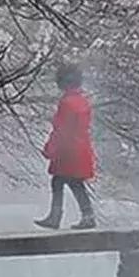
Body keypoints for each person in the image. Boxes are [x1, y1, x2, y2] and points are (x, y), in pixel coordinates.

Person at [35, 62, 97, 230]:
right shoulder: (83, 101)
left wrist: (50, 149)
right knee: (73, 182)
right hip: (80, 148)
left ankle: (58, 217)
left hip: (68, 150)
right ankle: (85, 215)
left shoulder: (67, 103)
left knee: (60, 181)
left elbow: (60, 129)